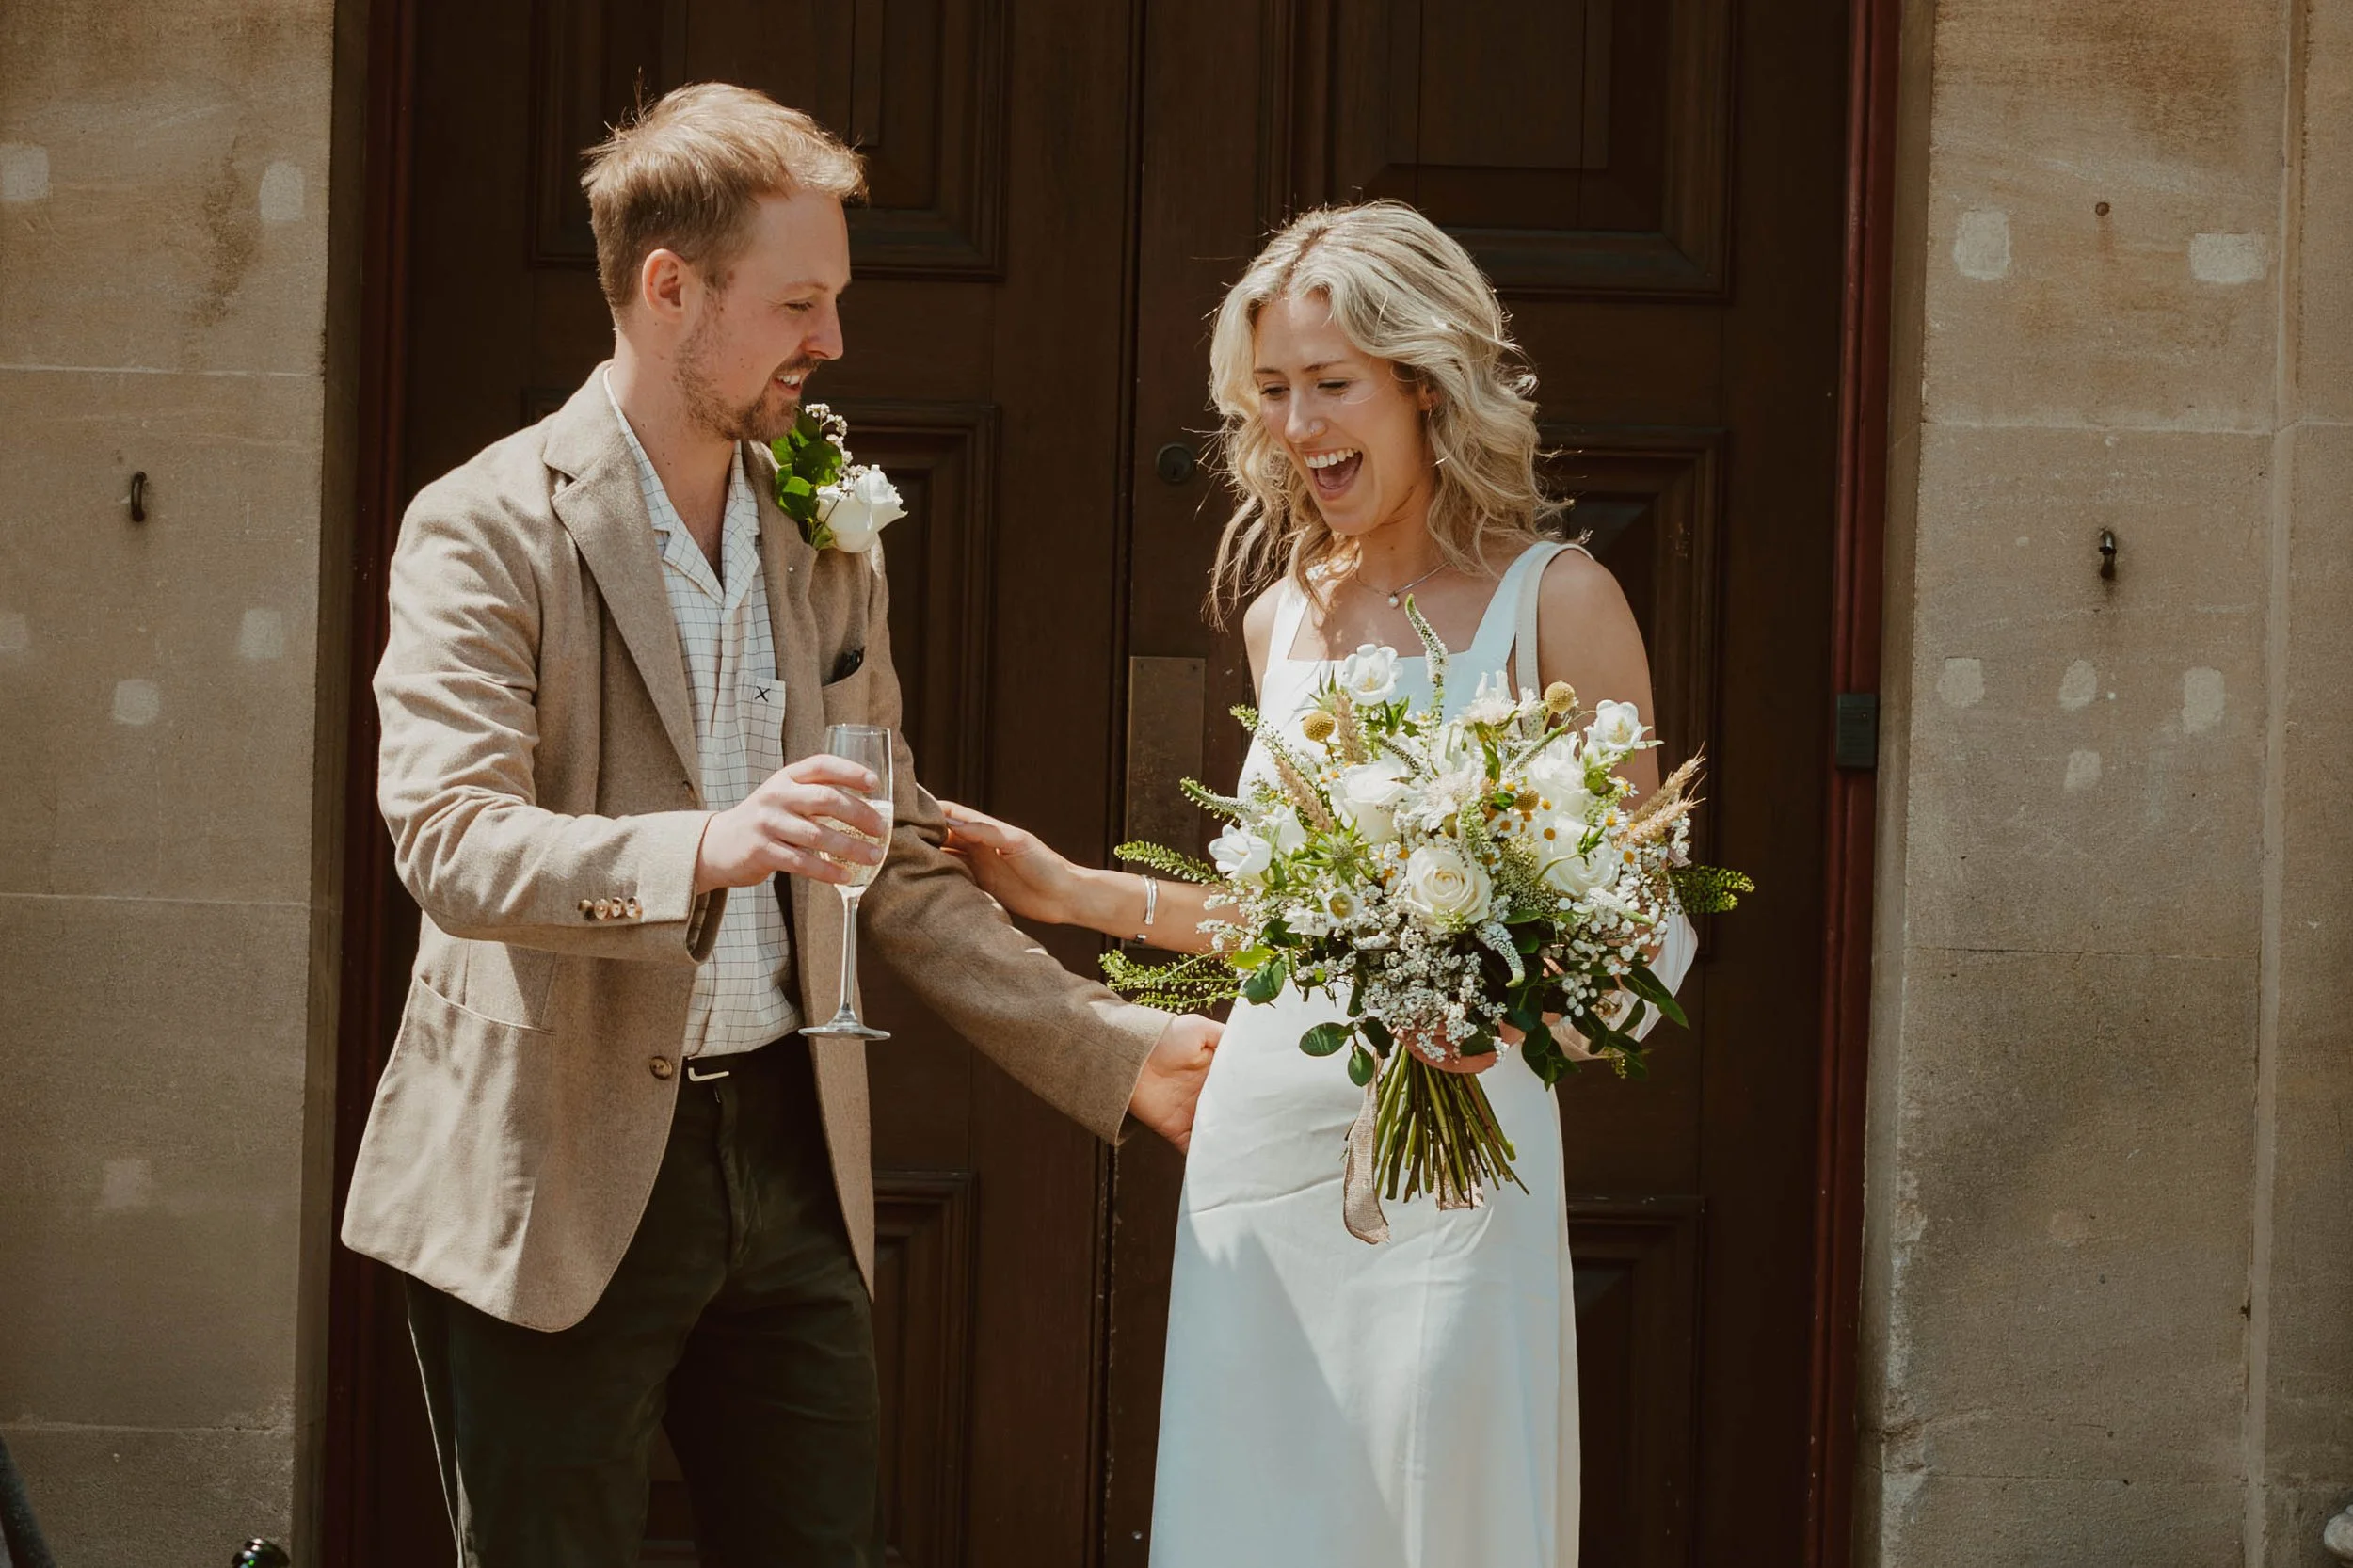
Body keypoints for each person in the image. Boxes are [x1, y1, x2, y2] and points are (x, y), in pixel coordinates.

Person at [339, 83, 1220, 1568]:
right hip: (553, 1171)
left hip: (792, 1154)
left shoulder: (825, 535)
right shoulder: (482, 527)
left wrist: (1116, 1049)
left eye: (834, 302)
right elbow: (451, 838)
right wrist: (704, 843)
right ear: (670, 289)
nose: (832, 342)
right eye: (799, 302)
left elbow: (886, 860)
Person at [943, 201, 1696, 1566]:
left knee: (1443, 1511)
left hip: (1463, 1153)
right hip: (1269, 1143)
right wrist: (1071, 893)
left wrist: (1510, 1026)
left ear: (1425, 385)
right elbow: (1288, 930)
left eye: (1331, 386)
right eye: (1272, 392)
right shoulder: (1281, 613)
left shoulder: (1559, 600)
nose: (1298, 426)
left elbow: (1643, 918)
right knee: (1261, 1518)